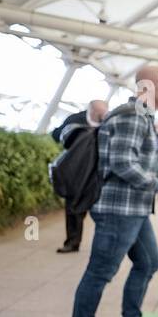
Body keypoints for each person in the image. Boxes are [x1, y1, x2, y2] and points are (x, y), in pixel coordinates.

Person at [63, 66, 158, 317]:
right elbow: (123, 164)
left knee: (148, 263)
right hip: (119, 209)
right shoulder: (131, 116)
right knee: (100, 271)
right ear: (148, 87)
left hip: (133, 209)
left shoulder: (141, 116)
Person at [51, 98, 108, 253]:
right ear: (92, 111)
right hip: (79, 171)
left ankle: (95, 244)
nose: (103, 116)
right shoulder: (76, 121)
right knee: (74, 208)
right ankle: (73, 242)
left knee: (96, 211)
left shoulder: (108, 124)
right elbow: (58, 136)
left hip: (96, 174)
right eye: (101, 113)